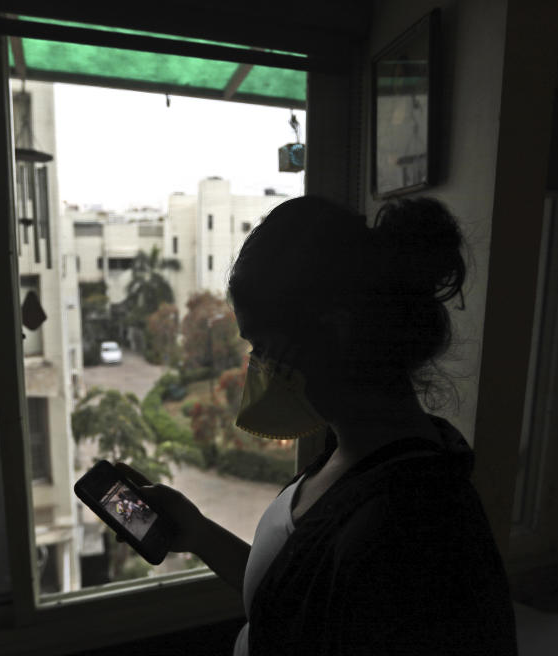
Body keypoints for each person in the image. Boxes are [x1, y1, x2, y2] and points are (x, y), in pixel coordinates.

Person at [116, 196, 517, 655]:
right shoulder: (352, 452)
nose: (257, 368)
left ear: (335, 330)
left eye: (264, 347)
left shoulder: (412, 530)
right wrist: (200, 533)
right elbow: (296, 596)